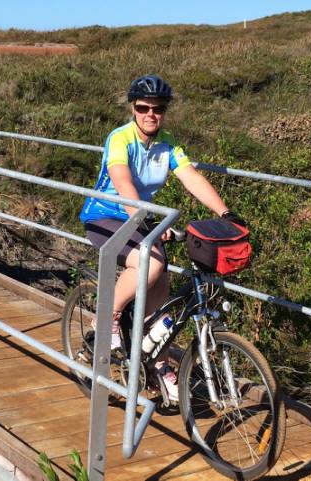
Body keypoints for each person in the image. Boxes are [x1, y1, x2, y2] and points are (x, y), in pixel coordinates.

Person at [78, 74, 246, 401]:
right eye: (143, 108)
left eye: (158, 109)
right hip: (105, 216)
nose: (150, 114)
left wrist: (225, 213)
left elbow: (191, 178)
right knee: (150, 264)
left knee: (162, 284)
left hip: (140, 216)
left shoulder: (168, 143)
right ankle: (107, 318)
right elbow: (122, 181)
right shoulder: (120, 138)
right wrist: (142, 218)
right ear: (133, 108)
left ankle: (153, 358)